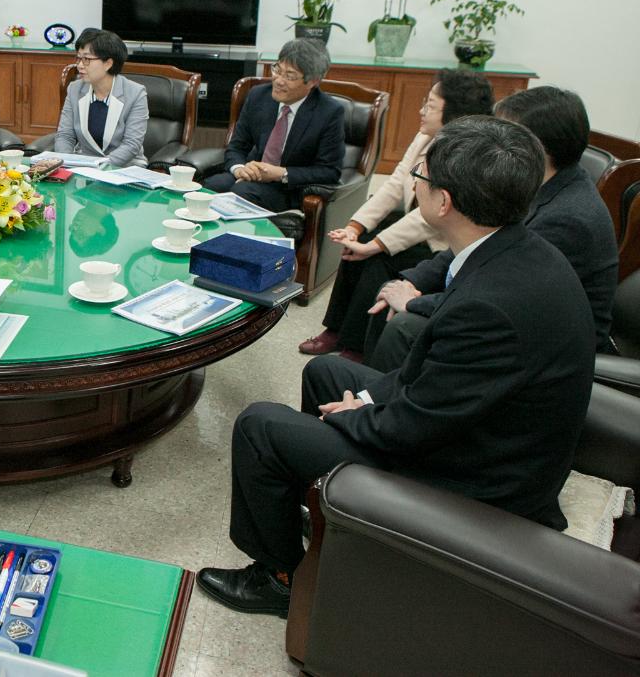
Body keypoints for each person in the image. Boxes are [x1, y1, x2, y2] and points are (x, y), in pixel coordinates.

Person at [197, 116, 594, 618]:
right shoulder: (512, 250)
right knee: (327, 374)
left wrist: (348, 416)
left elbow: (414, 427)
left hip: (481, 477)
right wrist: (361, 400)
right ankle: (322, 512)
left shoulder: (490, 306)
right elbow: (437, 384)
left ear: (444, 202)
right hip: (476, 424)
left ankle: (279, 578)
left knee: (260, 426)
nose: (412, 185)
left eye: (420, 178)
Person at [367, 86, 619, 370]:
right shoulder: (532, 181)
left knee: (404, 326)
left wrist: (413, 302)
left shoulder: (567, 219)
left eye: (505, 132)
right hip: (500, 299)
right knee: (391, 288)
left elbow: (500, 295)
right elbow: (473, 242)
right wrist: (414, 282)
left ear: (536, 145)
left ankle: (380, 404)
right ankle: (365, 388)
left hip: (541, 340)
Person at [298, 69, 493, 361]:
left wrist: (374, 246)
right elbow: (394, 182)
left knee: (377, 258)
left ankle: (357, 345)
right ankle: (335, 329)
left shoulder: (467, 154)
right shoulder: (426, 135)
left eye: (430, 105)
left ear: (455, 114)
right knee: (357, 243)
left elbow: (427, 220)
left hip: (439, 243)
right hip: (414, 225)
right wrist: (355, 227)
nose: (421, 111)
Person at [201, 38, 345, 213]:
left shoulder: (329, 112)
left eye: (290, 76)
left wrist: (280, 173)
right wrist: (240, 169)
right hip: (251, 176)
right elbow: (236, 147)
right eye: (277, 69)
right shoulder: (258, 96)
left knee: (242, 192)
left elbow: (329, 171)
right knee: (208, 188)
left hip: (288, 188)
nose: (279, 80)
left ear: (313, 81)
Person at [53, 29, 148, 168]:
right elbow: (65, 135)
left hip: (124, 168)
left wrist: (99, 167)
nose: (79, 65)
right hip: (83, 166)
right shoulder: (74, 89)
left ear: (108, 63)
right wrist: (67, 163)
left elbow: (131, 145)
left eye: (87, 59)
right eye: (78, 58)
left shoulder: (135, 93)